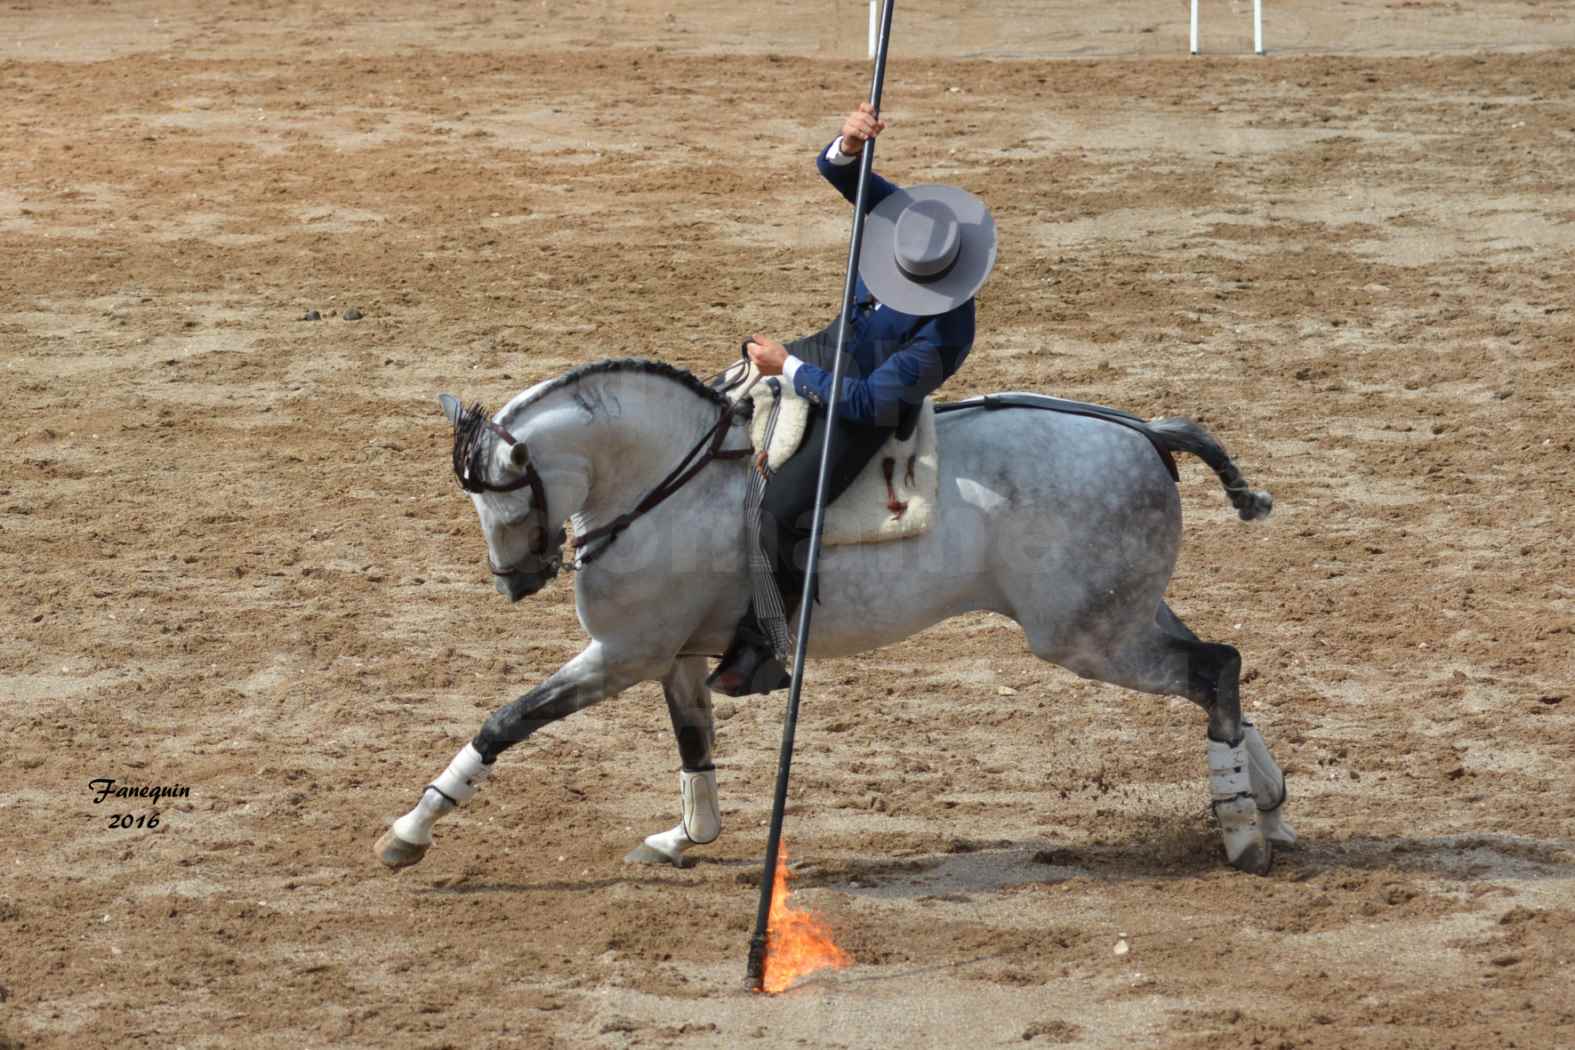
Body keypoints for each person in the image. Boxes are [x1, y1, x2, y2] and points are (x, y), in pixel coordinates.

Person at [706, 102, 999, 697]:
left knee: (777, 511)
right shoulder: (909, 224)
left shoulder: (945, 333)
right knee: (712, 399)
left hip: (865, 408)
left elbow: (868, 403)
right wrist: (849, 141)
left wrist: (787, 366)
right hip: (830, 347)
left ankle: (763, 646)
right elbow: (841, 173)